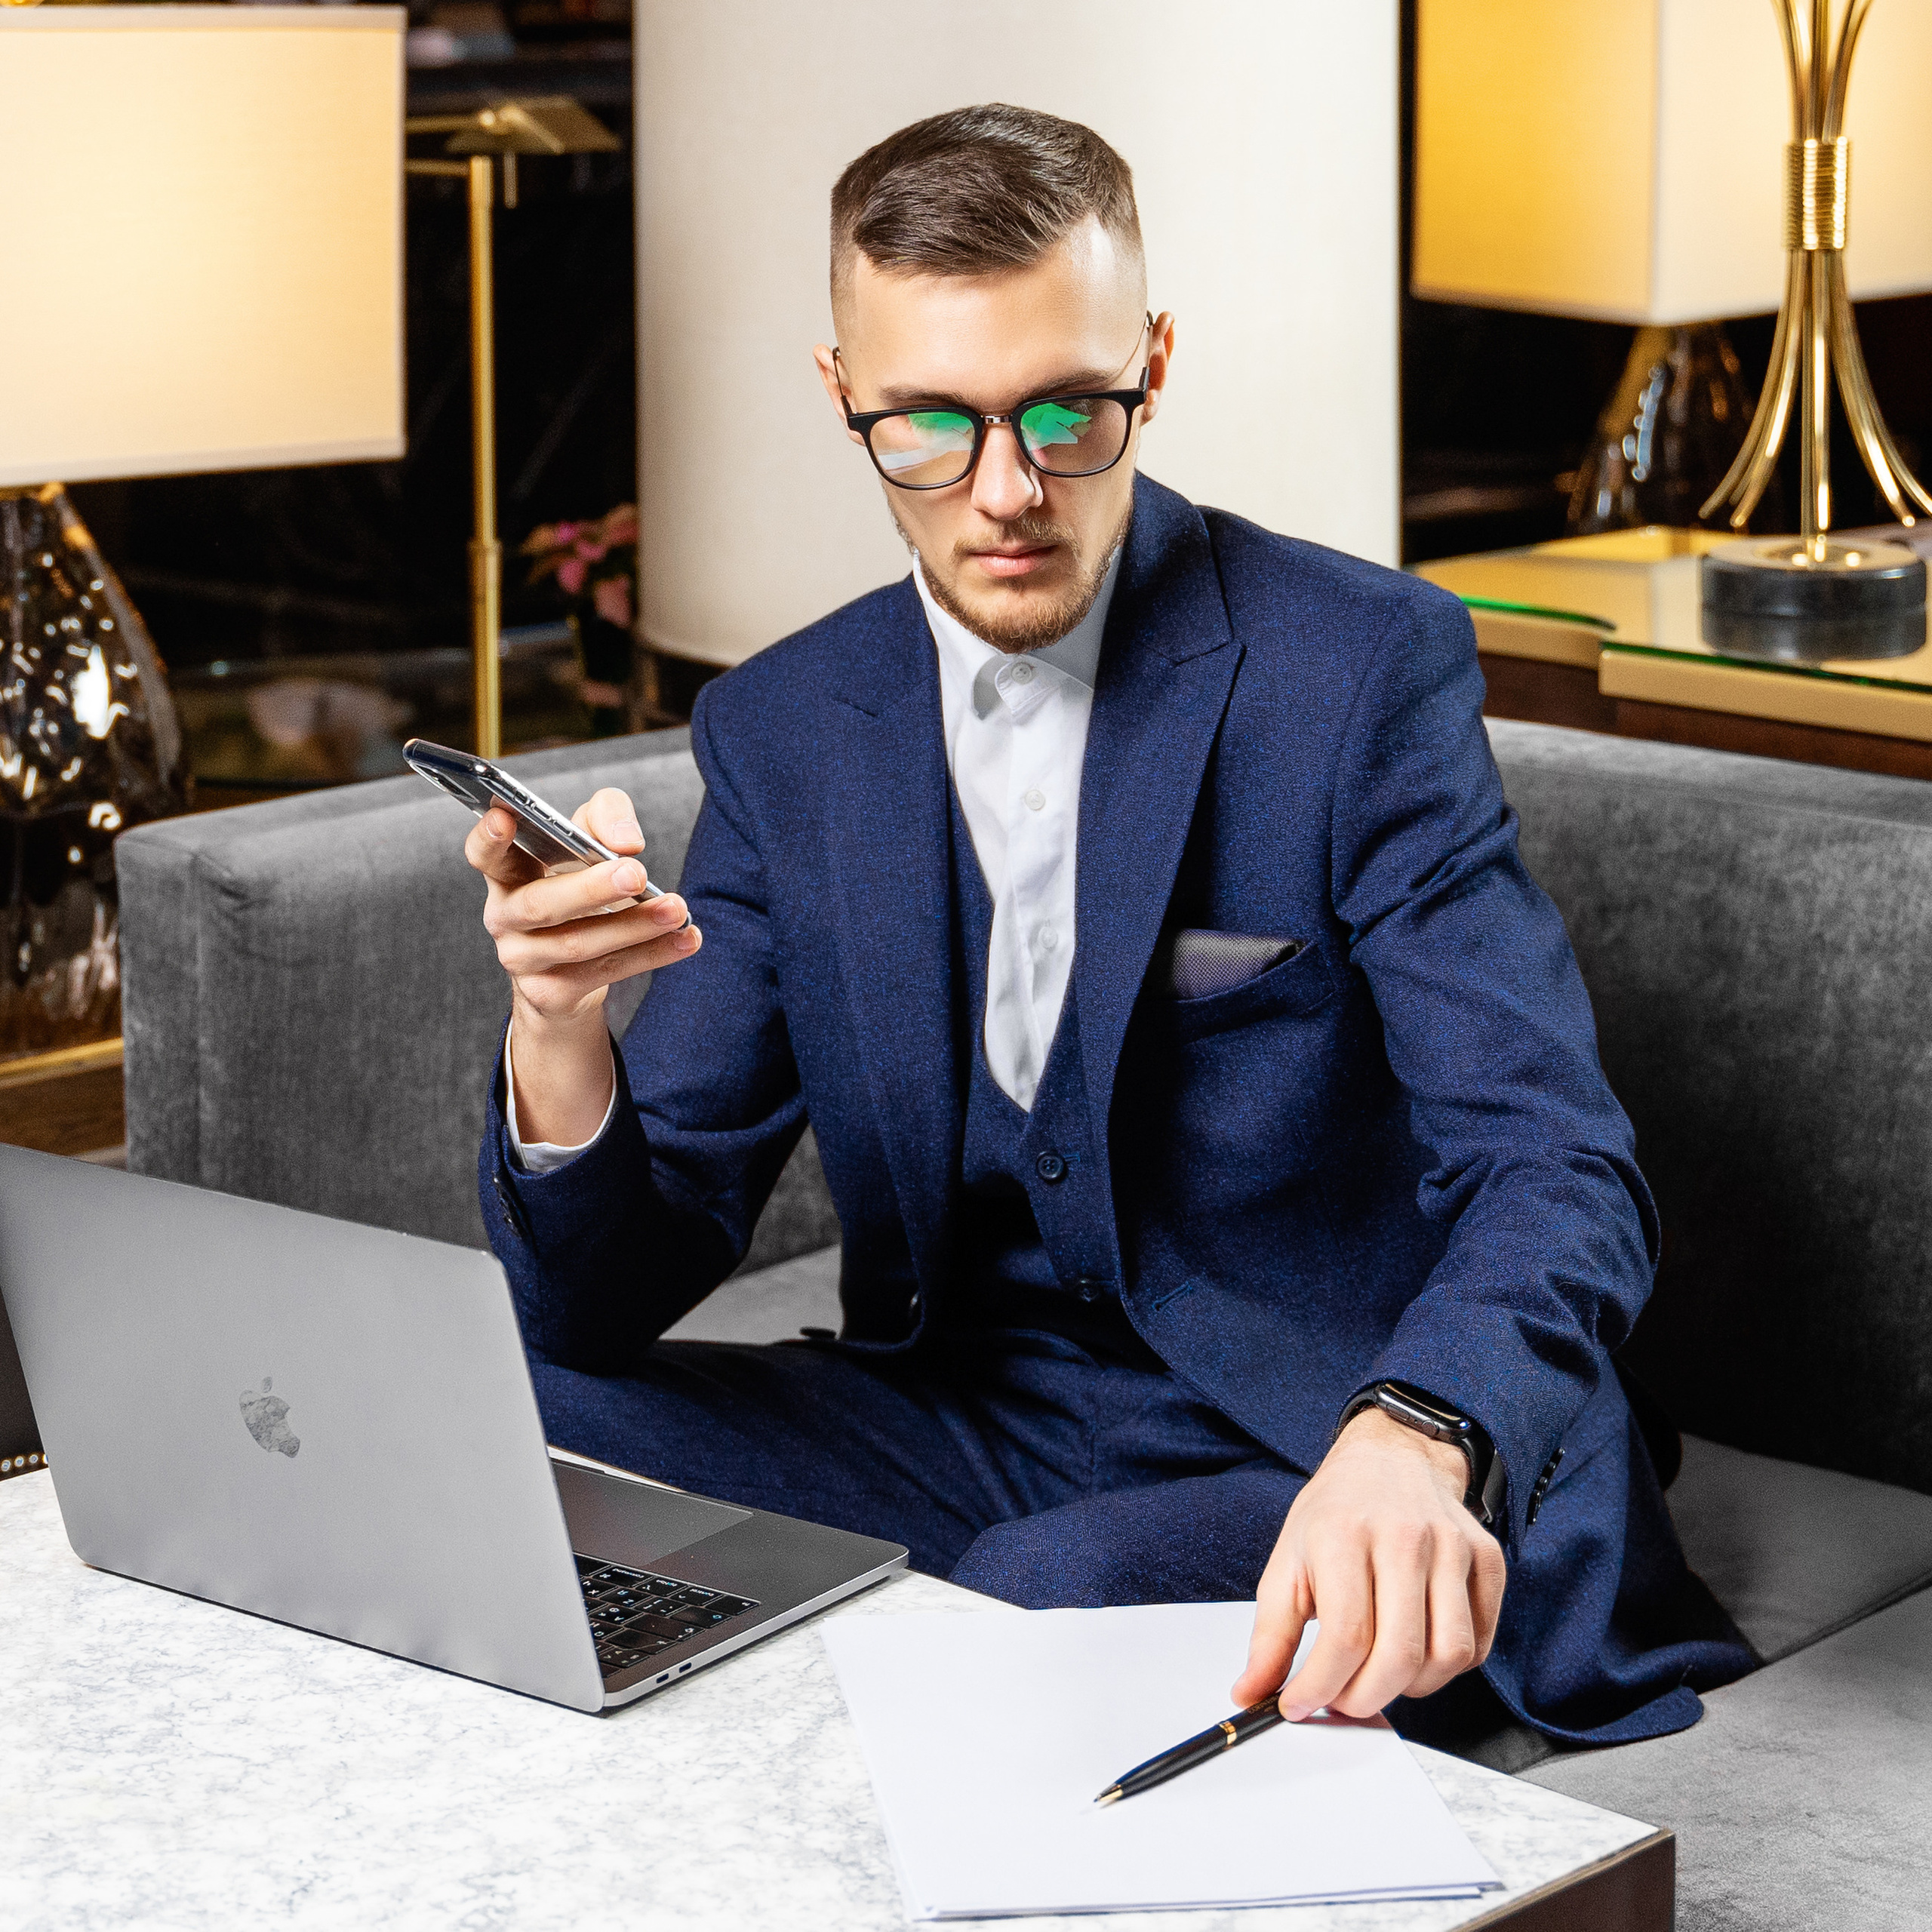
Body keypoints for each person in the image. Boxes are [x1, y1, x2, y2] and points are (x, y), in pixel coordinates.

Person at [466, 104, 1750, 1753]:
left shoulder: (1355, 673)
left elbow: (1558, 1161)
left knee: (1031, 1599)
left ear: (1153, 358)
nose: (1004, 492)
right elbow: (604, 1295)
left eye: (1067, 413)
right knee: (501, 1425)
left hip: (1327, 1442)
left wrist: (1420, 1429)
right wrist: (555, 1032)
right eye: (925, 426)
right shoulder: (786, 728)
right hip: (960, 1417)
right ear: (839, 395)